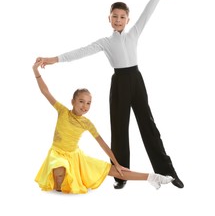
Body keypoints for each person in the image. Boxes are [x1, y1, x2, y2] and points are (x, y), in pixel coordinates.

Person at [36, 0, 184, 190]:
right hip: (119, 83)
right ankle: (121, 175)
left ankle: (168, 172)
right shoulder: (105, 42)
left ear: (127, 19)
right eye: (114, 16)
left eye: (122, 17)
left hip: (136, 79)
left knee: (148, 126)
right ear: (109, 18)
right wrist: (53, 59)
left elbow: (148, 12)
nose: (118, 20)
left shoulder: (134, 33)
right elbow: (81, 52)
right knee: (119, 129)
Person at [32, 60, 173, 194]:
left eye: (88, 103)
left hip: (75, 156)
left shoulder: (87, 123)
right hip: (57, 153)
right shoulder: (62, 111)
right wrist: (36, 71)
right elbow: (45, 91)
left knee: (115, 171)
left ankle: (153, 178)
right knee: (59, 171)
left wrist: (116, 163)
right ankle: (62, 179)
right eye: (81, 101)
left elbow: (103, 145)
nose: (84, 106)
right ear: (72, 101)